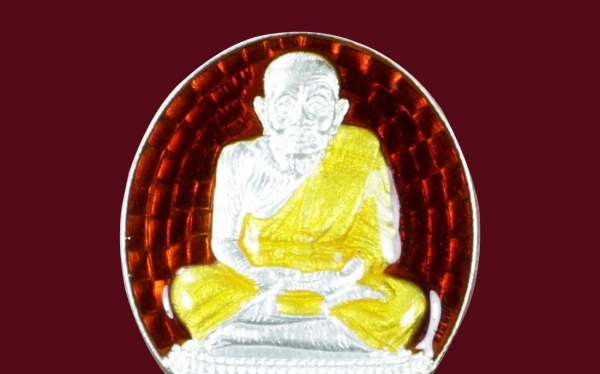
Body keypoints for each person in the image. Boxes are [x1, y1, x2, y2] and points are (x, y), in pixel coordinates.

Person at [167, 52, 428, 353]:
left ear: (338, 113)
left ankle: (249, 334)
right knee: (189, 289)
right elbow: (224, 242)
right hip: (261, 282)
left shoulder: (359, 152)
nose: (300, 120)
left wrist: (344, 278)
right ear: (263, 112)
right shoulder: (239, 158)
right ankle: (318, 330)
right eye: (285, 105)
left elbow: (377, 245)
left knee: (408, 304)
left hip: (335, 285)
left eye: (317, 105)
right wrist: (257, 275)